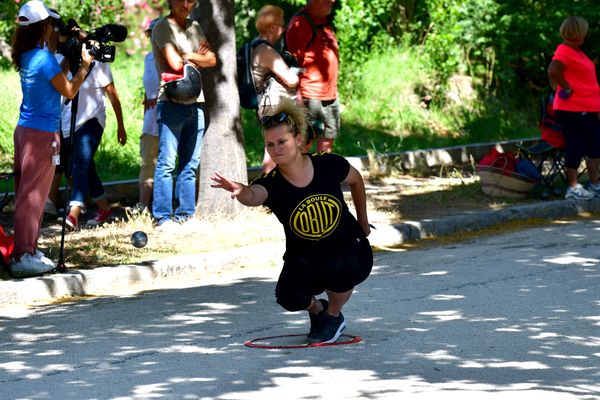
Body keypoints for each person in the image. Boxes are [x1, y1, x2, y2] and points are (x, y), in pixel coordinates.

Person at [210, 99, 372, 344]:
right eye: (270, 144)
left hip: (349, 250)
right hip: (306, 256)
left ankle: (333, 316)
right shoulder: (272, 182)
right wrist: (240, 190)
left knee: (337, 268)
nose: (276, 149)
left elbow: (356, 179)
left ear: (298, 139)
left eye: (282, 141)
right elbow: (254, 196)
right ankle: (320, 311)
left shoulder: (327, 164)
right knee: (288, 295)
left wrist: (363, 221)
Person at [10, 0, 92, 276]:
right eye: (50, 24)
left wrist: (70, 55)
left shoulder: (28, 55)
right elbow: (68, 90)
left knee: (29, 193)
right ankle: (22, 255)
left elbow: (56, 79)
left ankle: (29, 249)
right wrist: (85, 66)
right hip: (42, 134)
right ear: (43, 27)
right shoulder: (43, 58)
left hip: (26, 131)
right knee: (32, 196)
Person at [151, 0, 217, 229]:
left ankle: (185, 216)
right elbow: (174, 62)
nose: (187, 4)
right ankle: (162, 217)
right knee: (167, 162)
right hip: (171, 101)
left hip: (196, 103)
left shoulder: (194, 26)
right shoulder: (162, 27)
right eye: (182, 0)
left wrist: (186, 54)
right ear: (171, 1)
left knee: (190, 164)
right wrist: (194, 56)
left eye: (191, 0)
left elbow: (212, 59)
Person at [59, 53, 128, 230]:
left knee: (80, 164)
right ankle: (104, 208)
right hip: (68, 124)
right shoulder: (62, 61)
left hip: (92, 122)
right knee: (86, 167)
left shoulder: (99, 64)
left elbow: (113, 95)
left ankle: (73, 214)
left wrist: (121, 125)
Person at [548, 16, 600, 200]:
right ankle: (572, 187)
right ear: (578, 32)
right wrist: (567, 88)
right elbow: (553, 70)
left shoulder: (577, 52)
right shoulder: (565, 50)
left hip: (588, 109)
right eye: (584, 31)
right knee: (576, 145)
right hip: (573, 109)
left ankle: (594, 185)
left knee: (595, 146)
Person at [286, 0, 339, 153]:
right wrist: (298, 97)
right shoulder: (300, 23)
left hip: (331, 94)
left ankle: (323, 176)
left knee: (327, 142)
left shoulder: (325, 21)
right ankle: (301, 177)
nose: (333, 1)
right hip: (310, 95)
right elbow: (292, 64)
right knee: (305, 144)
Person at [252, 5, 300, 172]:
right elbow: (292, 80)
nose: (284, 29)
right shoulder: (265, 50)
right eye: (281, 25)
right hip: (274, 106)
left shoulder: (254, 44)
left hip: (267, 105)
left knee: (275, 151)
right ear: (271, 27)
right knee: (273, 153)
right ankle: (266, 193)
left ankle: (271, 191)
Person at [138, 18, 160, 211]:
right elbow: (149, 84)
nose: (153, 37)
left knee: (167, 161)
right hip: (151, 116)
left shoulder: (174, 56)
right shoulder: (148, 58)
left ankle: (164, 203)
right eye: (150, 33)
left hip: (169, 113)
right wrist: (147, 101)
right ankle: (143, 204)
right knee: (147, 159)